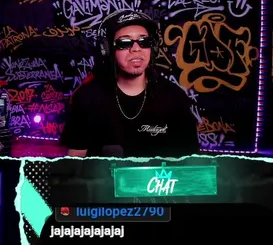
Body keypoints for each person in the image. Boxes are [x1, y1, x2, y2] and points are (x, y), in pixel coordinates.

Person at [61, 10, 200, 158]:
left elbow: (190, 160)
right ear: (108, 49)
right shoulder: (88, 98)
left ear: (153, 48)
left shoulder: (174, 97)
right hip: (103, 174)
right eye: (125, 43)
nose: (136, 49)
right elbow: (75, 158)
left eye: (144, 41)